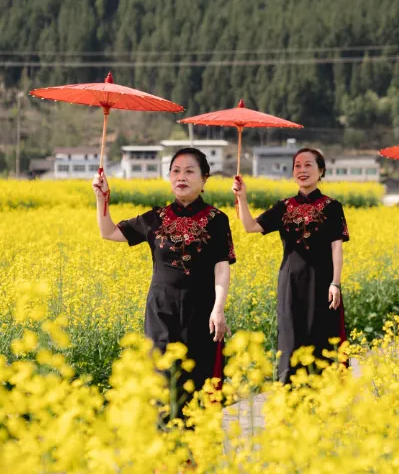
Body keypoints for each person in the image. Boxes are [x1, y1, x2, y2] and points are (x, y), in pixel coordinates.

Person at [94, 148, 234, 418]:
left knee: (198, 384)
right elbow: (108, 231)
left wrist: (218, 308)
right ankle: (165, 454)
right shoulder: (154, 218)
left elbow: (221, 266)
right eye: (176, 171)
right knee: (161, 385)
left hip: (201, 313)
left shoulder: (217, 220)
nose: (181, 176)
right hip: (161, 314)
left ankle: (196, 455)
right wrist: (101, 198)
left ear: (204, 179)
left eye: (189, 171)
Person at [232, 148, 349, 383]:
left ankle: (324, 392)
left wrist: (335, 283)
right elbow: (250, 226)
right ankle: (289, 392)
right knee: (290, 337)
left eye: (308, 165)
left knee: (322, 336)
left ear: (321, 171)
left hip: (322, 282)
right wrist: (241, 198)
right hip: (291, 282)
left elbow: (337, 246)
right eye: (297, 165)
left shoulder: (332, 206)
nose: (302, 170)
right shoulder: (283, 207)